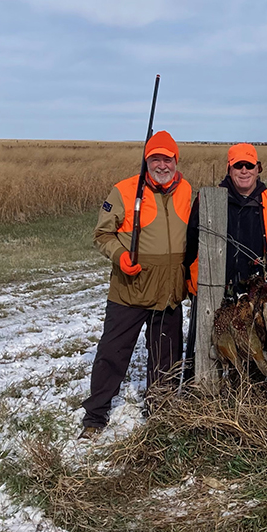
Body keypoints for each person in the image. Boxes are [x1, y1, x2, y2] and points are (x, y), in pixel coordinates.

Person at [80, 131, 191, 439]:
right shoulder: (125, 190)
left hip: (168, 291)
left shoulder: (186, 190)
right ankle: (95, 416)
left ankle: (161, 409)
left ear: (176, 161)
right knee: (113, 353)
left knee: (166, 356)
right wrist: (120, 256)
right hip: (130, 287)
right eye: (155, 159)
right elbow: (102, 235)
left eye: (167, 159)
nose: (161, 165)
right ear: (146, 161)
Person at [185, 143, 267, 294]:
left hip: (258, 295)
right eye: (238, 166)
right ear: (229, 169)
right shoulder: (208, 200)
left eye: (249, 165)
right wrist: (193, 282)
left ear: (258, 169)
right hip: (212, 292)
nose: (244, 171)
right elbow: (191, 247)